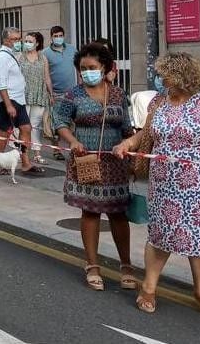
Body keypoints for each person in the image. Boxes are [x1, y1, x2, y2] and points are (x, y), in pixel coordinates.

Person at [113, 52, 200, 317]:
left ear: (180, 75)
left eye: (163, 74)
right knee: (160, 236)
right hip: (163, 184)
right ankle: (148, 288)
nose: (159, 79)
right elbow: (146, 134)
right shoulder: (159, 102)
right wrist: (128, 143)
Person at [53, 42, 136, 292]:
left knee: (118, 214)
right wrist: (73, 141)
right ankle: (92, 265)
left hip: (115, 163)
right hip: (86, 161)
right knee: (90, 212)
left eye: (92, 67)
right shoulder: (73, 95)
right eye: (83, 68)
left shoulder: (119, 94)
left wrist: (131, 155)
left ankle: (126, 266)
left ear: (104, 67)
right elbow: (60, 121)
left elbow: (127, 127)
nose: (87, 72)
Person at [0, 27, 42, 175]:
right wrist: (8, 105)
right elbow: (1, 82)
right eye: (15, 39)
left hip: (18, 100)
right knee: (4, 132)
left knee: (26, 129)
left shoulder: (12, 55)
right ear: (6, 40)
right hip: (9, 100)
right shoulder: (1, 57)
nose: (18, 42)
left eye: (19, 39)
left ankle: (25, 162)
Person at [43, 26, 78, 160]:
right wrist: (50, 94)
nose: (58, 38)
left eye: (60, 35)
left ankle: (75, 147)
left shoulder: (72, 49)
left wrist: (81, 86)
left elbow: (78, 67)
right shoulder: (46, 53)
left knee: (73, 122)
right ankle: (56, 150)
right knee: (56, 123)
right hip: (56, 94)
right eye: (56, 36)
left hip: (72, 92)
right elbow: (46, 75)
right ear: (51, 37)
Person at [20, 32, 54, 164]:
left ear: (37, 43)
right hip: (23, 95)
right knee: (22, 126)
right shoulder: (20, 57)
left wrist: (51, 94)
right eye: (26, 41)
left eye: (30, 41)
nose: (27, 43)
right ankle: (21, 152)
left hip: (39, 95)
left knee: (36, 126)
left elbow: (47, 77)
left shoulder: (43, 58)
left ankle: (37, 153)